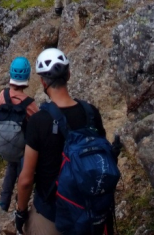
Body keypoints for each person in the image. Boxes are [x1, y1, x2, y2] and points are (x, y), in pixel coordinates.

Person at [15, 49, 121, 235]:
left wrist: (20, 212)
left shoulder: (39, 121)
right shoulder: (91, 113)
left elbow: (26, 179)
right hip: (91, 208)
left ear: (42, 82)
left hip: (52, 214)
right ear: (69, 74)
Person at [0, 56, 38, 211]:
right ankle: (21, 202)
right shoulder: (29, 103)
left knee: (10, 169)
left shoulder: (2, 96)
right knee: (22, 173)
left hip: (5, 143)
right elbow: (36, 124)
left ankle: (3, 202)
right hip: (22, 149)